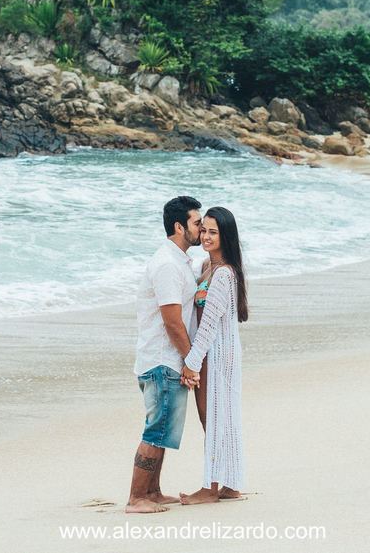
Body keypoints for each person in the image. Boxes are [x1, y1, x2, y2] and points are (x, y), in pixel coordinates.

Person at [126, 196, 203, 514]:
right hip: (162, 359)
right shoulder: (168, 265)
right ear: (179, 226)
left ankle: (153, 491)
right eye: (197, 223)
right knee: (157, 429)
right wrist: (190, 360)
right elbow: (172, 321)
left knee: (164, 428)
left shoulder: (180, 261)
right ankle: (136, 497)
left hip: (164, 358)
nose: (201, 228)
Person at [179, 206, 248, 504]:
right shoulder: (207, 266)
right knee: (222, 419)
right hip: (216, 353)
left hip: (218, 355)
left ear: (225, 236)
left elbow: (207, 325)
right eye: (203, 230)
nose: (206, 237)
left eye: (213, 232)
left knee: (215, 418)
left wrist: (191, 363)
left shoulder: (224, 275)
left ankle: (211, 488)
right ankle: (231, 484)